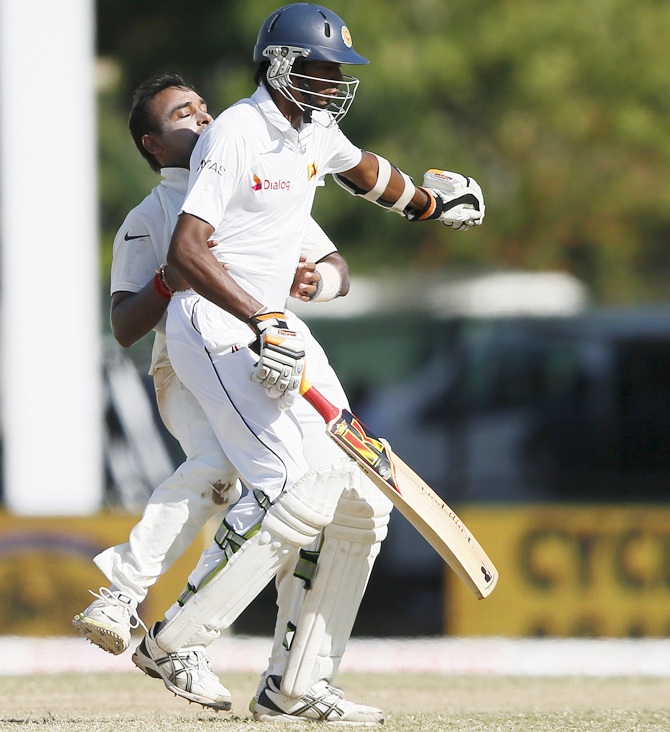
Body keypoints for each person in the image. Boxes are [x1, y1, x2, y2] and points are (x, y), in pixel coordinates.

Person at [135, 2, 485, 725]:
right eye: (318, 68)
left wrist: (428, 203)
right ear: (279, 66)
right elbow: (187, 250)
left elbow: (365, 173)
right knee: (291, 486)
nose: (331, 82)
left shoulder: (313, 128)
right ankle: (175, 641)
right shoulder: (235, 132)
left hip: (278, 327)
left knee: (362, 498)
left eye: (337, 71)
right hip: (218, 328)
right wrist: (261, 317)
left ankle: (296, 685)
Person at [72, 72, 363, 715]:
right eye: (182, 114)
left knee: (300, 489)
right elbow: (123, 324)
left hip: (265, 353)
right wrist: (172, 279)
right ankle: (137, 603)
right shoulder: (148, 217)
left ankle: (290, 671)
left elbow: (337, 266)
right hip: (186, 359)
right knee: (226, 470)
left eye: (203, 106)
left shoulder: (251, 168)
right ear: (152, 144)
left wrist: (319, 283)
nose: (201, 118)